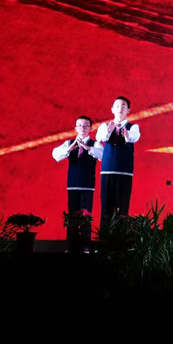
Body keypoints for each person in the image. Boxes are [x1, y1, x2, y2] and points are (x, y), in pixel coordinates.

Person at [52, 115, 102, 250]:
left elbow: (103, 155)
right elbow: (55, 155)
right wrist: (69, 150)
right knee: (72, 216)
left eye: (86, 126)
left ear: (90, 128)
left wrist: (88, 149)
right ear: (75, 128)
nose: (82, 128)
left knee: (86, 216)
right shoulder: (69, 143)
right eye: (79, 125)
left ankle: (85, 246)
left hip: (87, 186)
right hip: (73, 185)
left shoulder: (94, 144)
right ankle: (71, 246)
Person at [95, 96, 140, 228]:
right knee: (106, 207)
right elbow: (99, 137)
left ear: (128, 110)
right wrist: (109, 131)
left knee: (122, 208)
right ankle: (104, 237)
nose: (120, 109)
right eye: (117, 106)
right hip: (107, 171)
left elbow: (134, 137)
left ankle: (120, 238)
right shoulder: (105, 126)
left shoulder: (133, 127)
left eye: (123, 106)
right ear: (112, 109)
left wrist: (126, 135)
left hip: (124, 172)